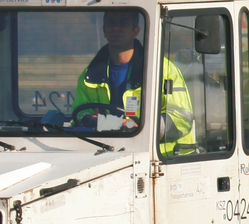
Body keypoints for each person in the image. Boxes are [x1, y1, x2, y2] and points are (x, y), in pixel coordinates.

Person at [70, 10, 195, 156]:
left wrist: (141, 127)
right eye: (111, 23)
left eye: (123, 23)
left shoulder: (163, 69)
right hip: (108, 155)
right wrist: (96, 121)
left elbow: (181, 118)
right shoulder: (90, 75)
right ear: (104, 30)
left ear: (135, 31)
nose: (116, 27)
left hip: (163, 157)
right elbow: (80, 114)